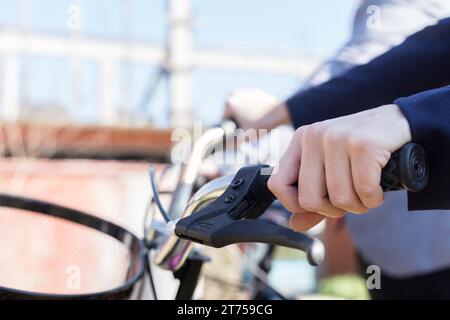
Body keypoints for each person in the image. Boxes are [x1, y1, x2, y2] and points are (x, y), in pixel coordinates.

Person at [226, 2, 450, 298]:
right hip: (389, 253)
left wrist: (415, 119)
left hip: (427, 250)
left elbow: (368, 59)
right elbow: (398, 64)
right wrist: (283, 111)